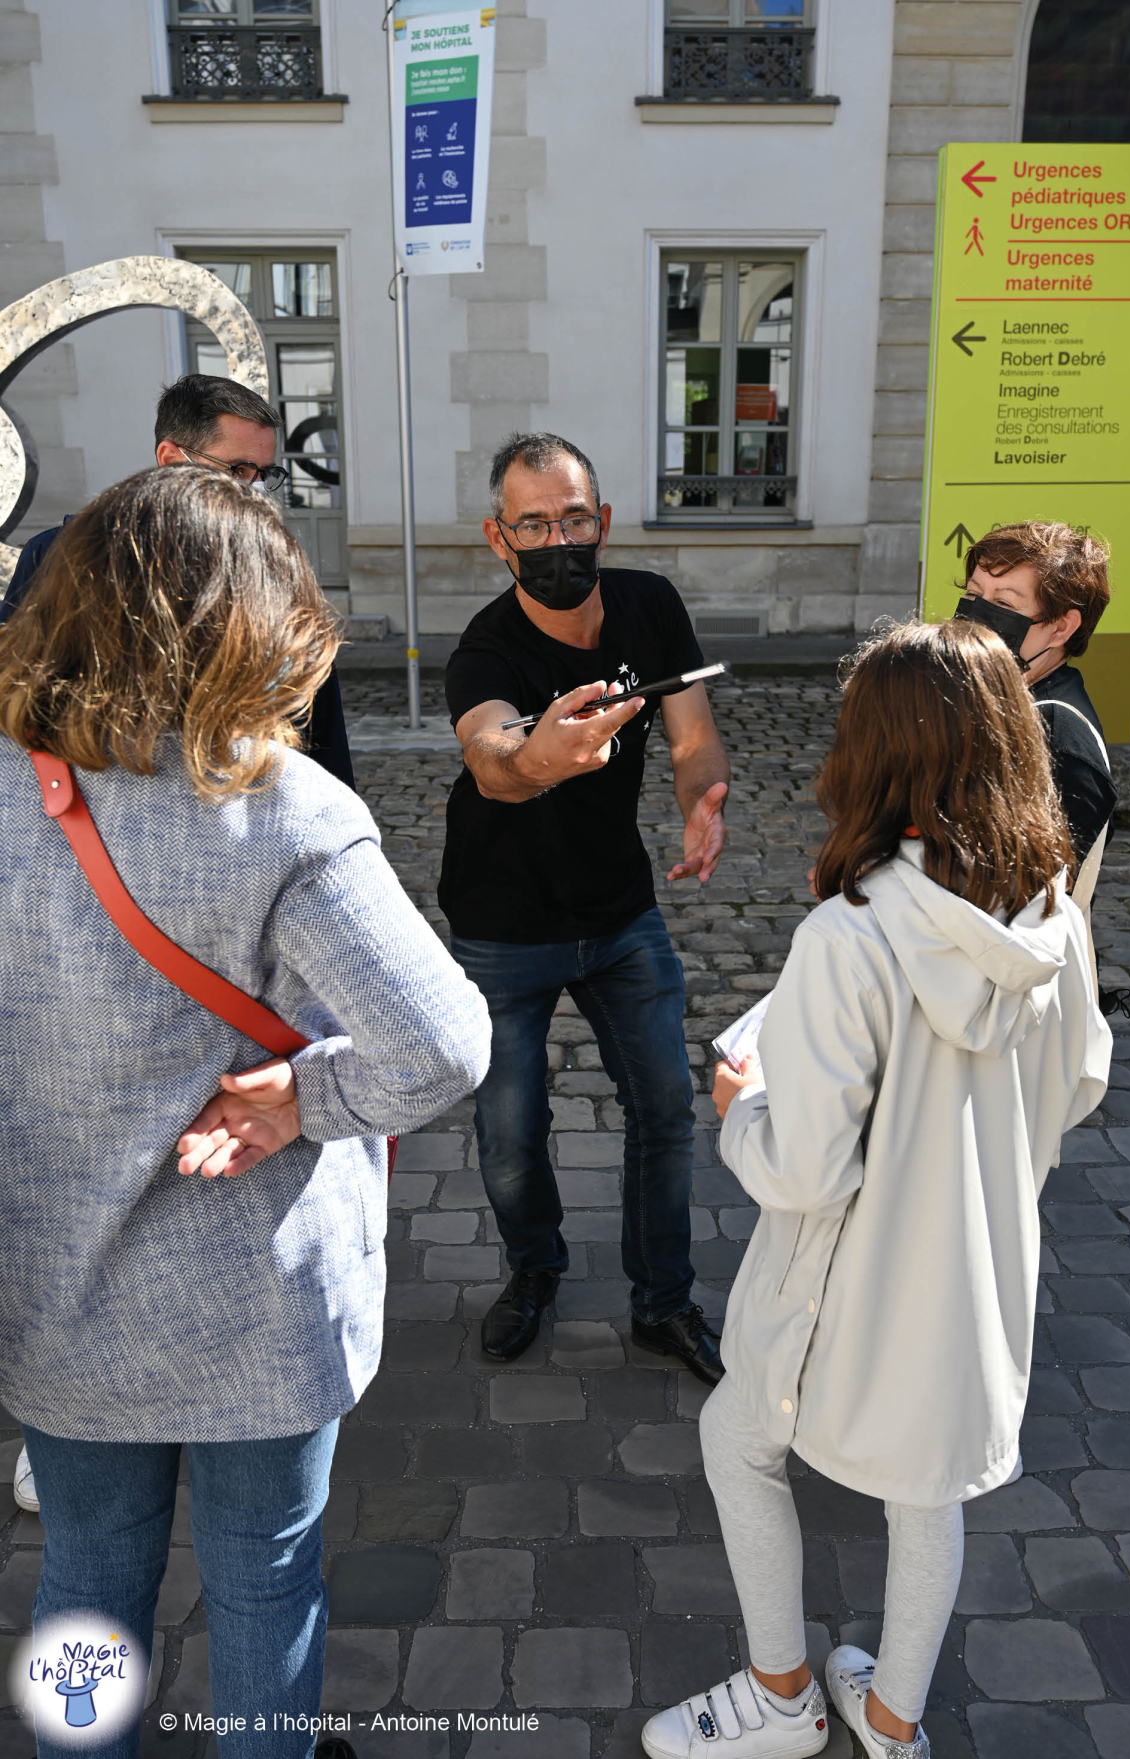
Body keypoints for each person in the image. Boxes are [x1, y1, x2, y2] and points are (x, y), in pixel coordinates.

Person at [0, 466, 491, 1759]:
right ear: (255, 622)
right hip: (258, 1295)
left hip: (54, 1283)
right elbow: (442, 1042)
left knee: (87, 1580)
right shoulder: (280, 805)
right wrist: (307, 1098)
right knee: (266, 1578)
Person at [641, 620, 1110, 1759]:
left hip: (846, 1275)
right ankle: (893, 1720)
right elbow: (1081, 1079)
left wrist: (739, 1105)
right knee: (928, 1486)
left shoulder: (850, 934)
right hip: (982, 1262)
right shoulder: (1053, 909)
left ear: (874, 754)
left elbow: (803, 1166)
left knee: (734, 1439)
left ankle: (780, 1695)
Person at [439, 431, 731, 1378]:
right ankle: (533, 1271)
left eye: (572, 518)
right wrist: (537, 759)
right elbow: (490, 761)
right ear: (499, 537)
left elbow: (692, 734)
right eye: (534, 523)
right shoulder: (484, 648)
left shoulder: (649, 604)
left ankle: (664, 1300)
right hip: (502, 928)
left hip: (619, 915)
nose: (556, 538)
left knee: (666, 1106)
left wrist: (704, 801)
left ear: (601, 521)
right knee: (511, 1133)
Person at [1, 372, 355, 790]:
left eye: (263, 473)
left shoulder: (274, 573)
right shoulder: (59, 558)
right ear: (171, 459)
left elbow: (320, 741)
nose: (253, 488)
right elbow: (19, 708)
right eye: (239, 468)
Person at [953, 521, 1116, 870]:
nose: (976, 615)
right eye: (972, 595)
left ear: (1060, 628)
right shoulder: (991, 694)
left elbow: (1038, 888)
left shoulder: (1058, 737)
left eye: (1004, 605)